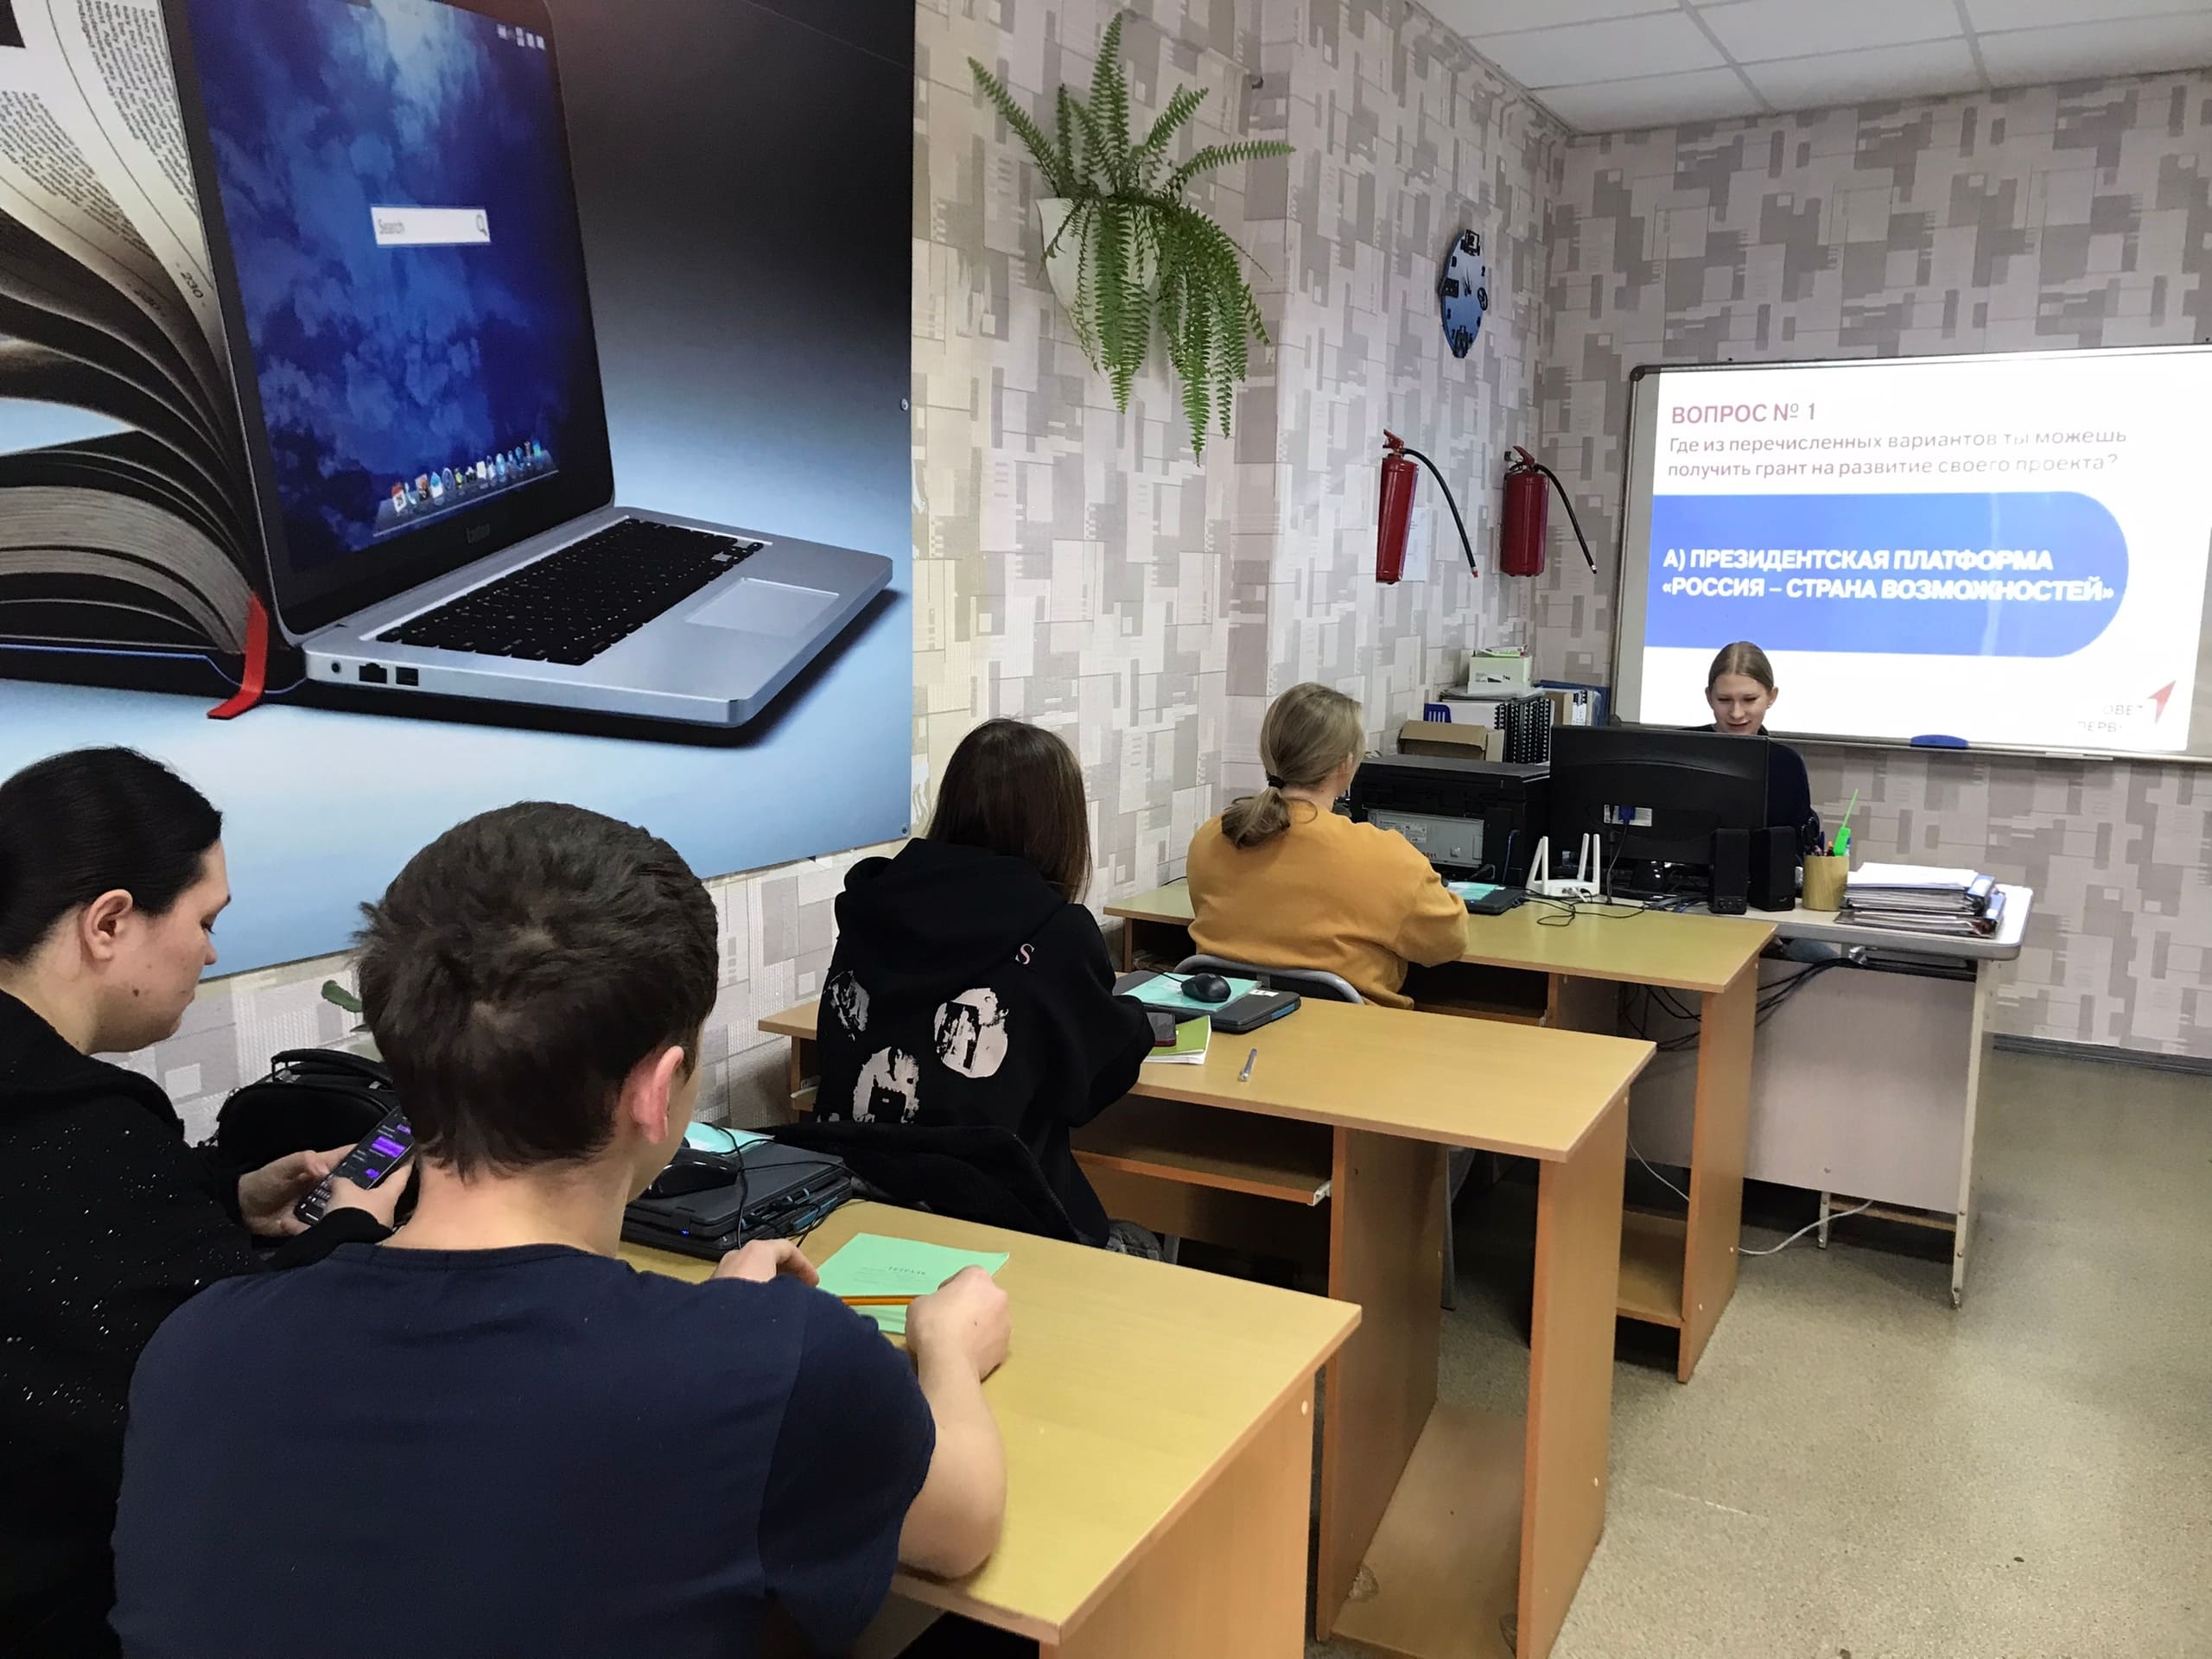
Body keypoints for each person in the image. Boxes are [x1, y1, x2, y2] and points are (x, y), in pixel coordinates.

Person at [111, 802, 1010, 1659]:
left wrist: (727, 1328)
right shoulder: (782, 1364)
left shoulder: (193, 1350)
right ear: (655, 1091)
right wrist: (946, 1348)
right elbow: (960, 1525)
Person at [0, 747, 402, 1656]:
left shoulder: (58, 1123)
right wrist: (351, 1223)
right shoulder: (83, 1129)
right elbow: (249, 1357)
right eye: (205, 920)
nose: (211, 952)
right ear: (109, 922)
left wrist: (229, 1197)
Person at [814, 719, 1153, 1249]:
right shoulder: (1056, 932)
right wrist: (1138, 1019)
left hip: (853, 1206)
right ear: (1061, 827)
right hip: (998, 1222)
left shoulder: (872, 906)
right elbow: (1091, 1085)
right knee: (1138, 1239)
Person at [1186, 682, 1466, 1007]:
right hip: (1350, 1036)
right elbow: (1450, 943)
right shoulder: (1386, 856)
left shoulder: (1212, 837)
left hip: (1236, 1027)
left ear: (1268, 753)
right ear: (1345, 765)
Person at [1700, 641, 1822, 853]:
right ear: (1709, 698)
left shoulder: (1787, 765)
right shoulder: (1675, 750)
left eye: (1749, 700)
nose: (1736, 713)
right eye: (1724, 700)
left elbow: (1796, 852)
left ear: (1771, 697)